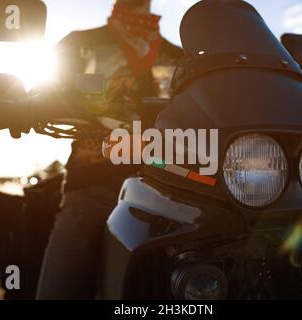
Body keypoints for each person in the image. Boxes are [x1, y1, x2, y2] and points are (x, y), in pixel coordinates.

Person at [36, 0, 183, 299]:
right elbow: (43, 94)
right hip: (92, 188)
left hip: (170, 191)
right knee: (58, 290)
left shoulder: (181, 57)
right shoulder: (80, 45)